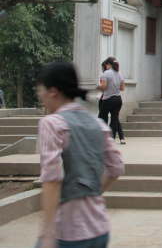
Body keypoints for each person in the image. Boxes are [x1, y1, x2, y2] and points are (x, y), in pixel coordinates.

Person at [35, 62, 124, 248]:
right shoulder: (97, 123)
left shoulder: (52, 123)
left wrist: (47, 234)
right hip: (99, 229)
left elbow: (52, 179)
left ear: (53, 91)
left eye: (40, 90)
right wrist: (92, 191)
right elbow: (116, 167)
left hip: (67, 233)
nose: (39, 95)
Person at [97, 57, 125, 144]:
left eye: (106, 65)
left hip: (108, 99)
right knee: (114, 119)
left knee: (102, 118)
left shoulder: (106, 73)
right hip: (118, 100)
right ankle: (111, 139)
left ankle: (103, 138)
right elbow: (122, 88)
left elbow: (104, 87)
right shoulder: (120, 73)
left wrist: (97, 87)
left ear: (108, 64)